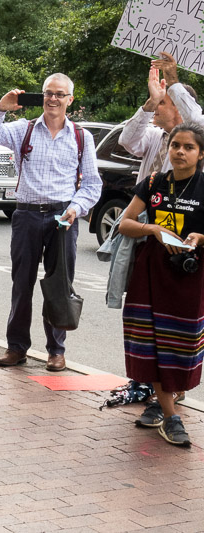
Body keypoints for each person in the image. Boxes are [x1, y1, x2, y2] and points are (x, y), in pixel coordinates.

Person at [0, 73, 101, 372]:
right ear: (43, 96)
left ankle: (56, 350)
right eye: (49, 93)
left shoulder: (81, 137)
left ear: (70, 100)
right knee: (21, 284)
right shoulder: (24, 129)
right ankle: (16, 347)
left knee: (59, 284)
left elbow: (92, 185)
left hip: (63, 217)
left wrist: (76, 208)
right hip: (27, 214)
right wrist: (1, 107)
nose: (53, 99)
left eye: (60, 94)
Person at [119, 122, 204, 447]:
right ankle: (171, 416)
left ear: (200, 154)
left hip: (189, 279)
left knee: (181, 347)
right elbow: (126, 223)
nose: (180, 152)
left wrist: (199, 237)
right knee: (151, 343)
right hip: (150, 275)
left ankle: (164, 400)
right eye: (175, 145)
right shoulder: (154, 182)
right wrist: (153, 230)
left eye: (188, 147)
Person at [119, 64, 197, 184]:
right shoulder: (153, 135)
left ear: (179, 107)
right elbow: (127, 141)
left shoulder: (197, 144)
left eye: (161, 102)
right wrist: (151, 102)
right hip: (142, 202)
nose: (155, 107)